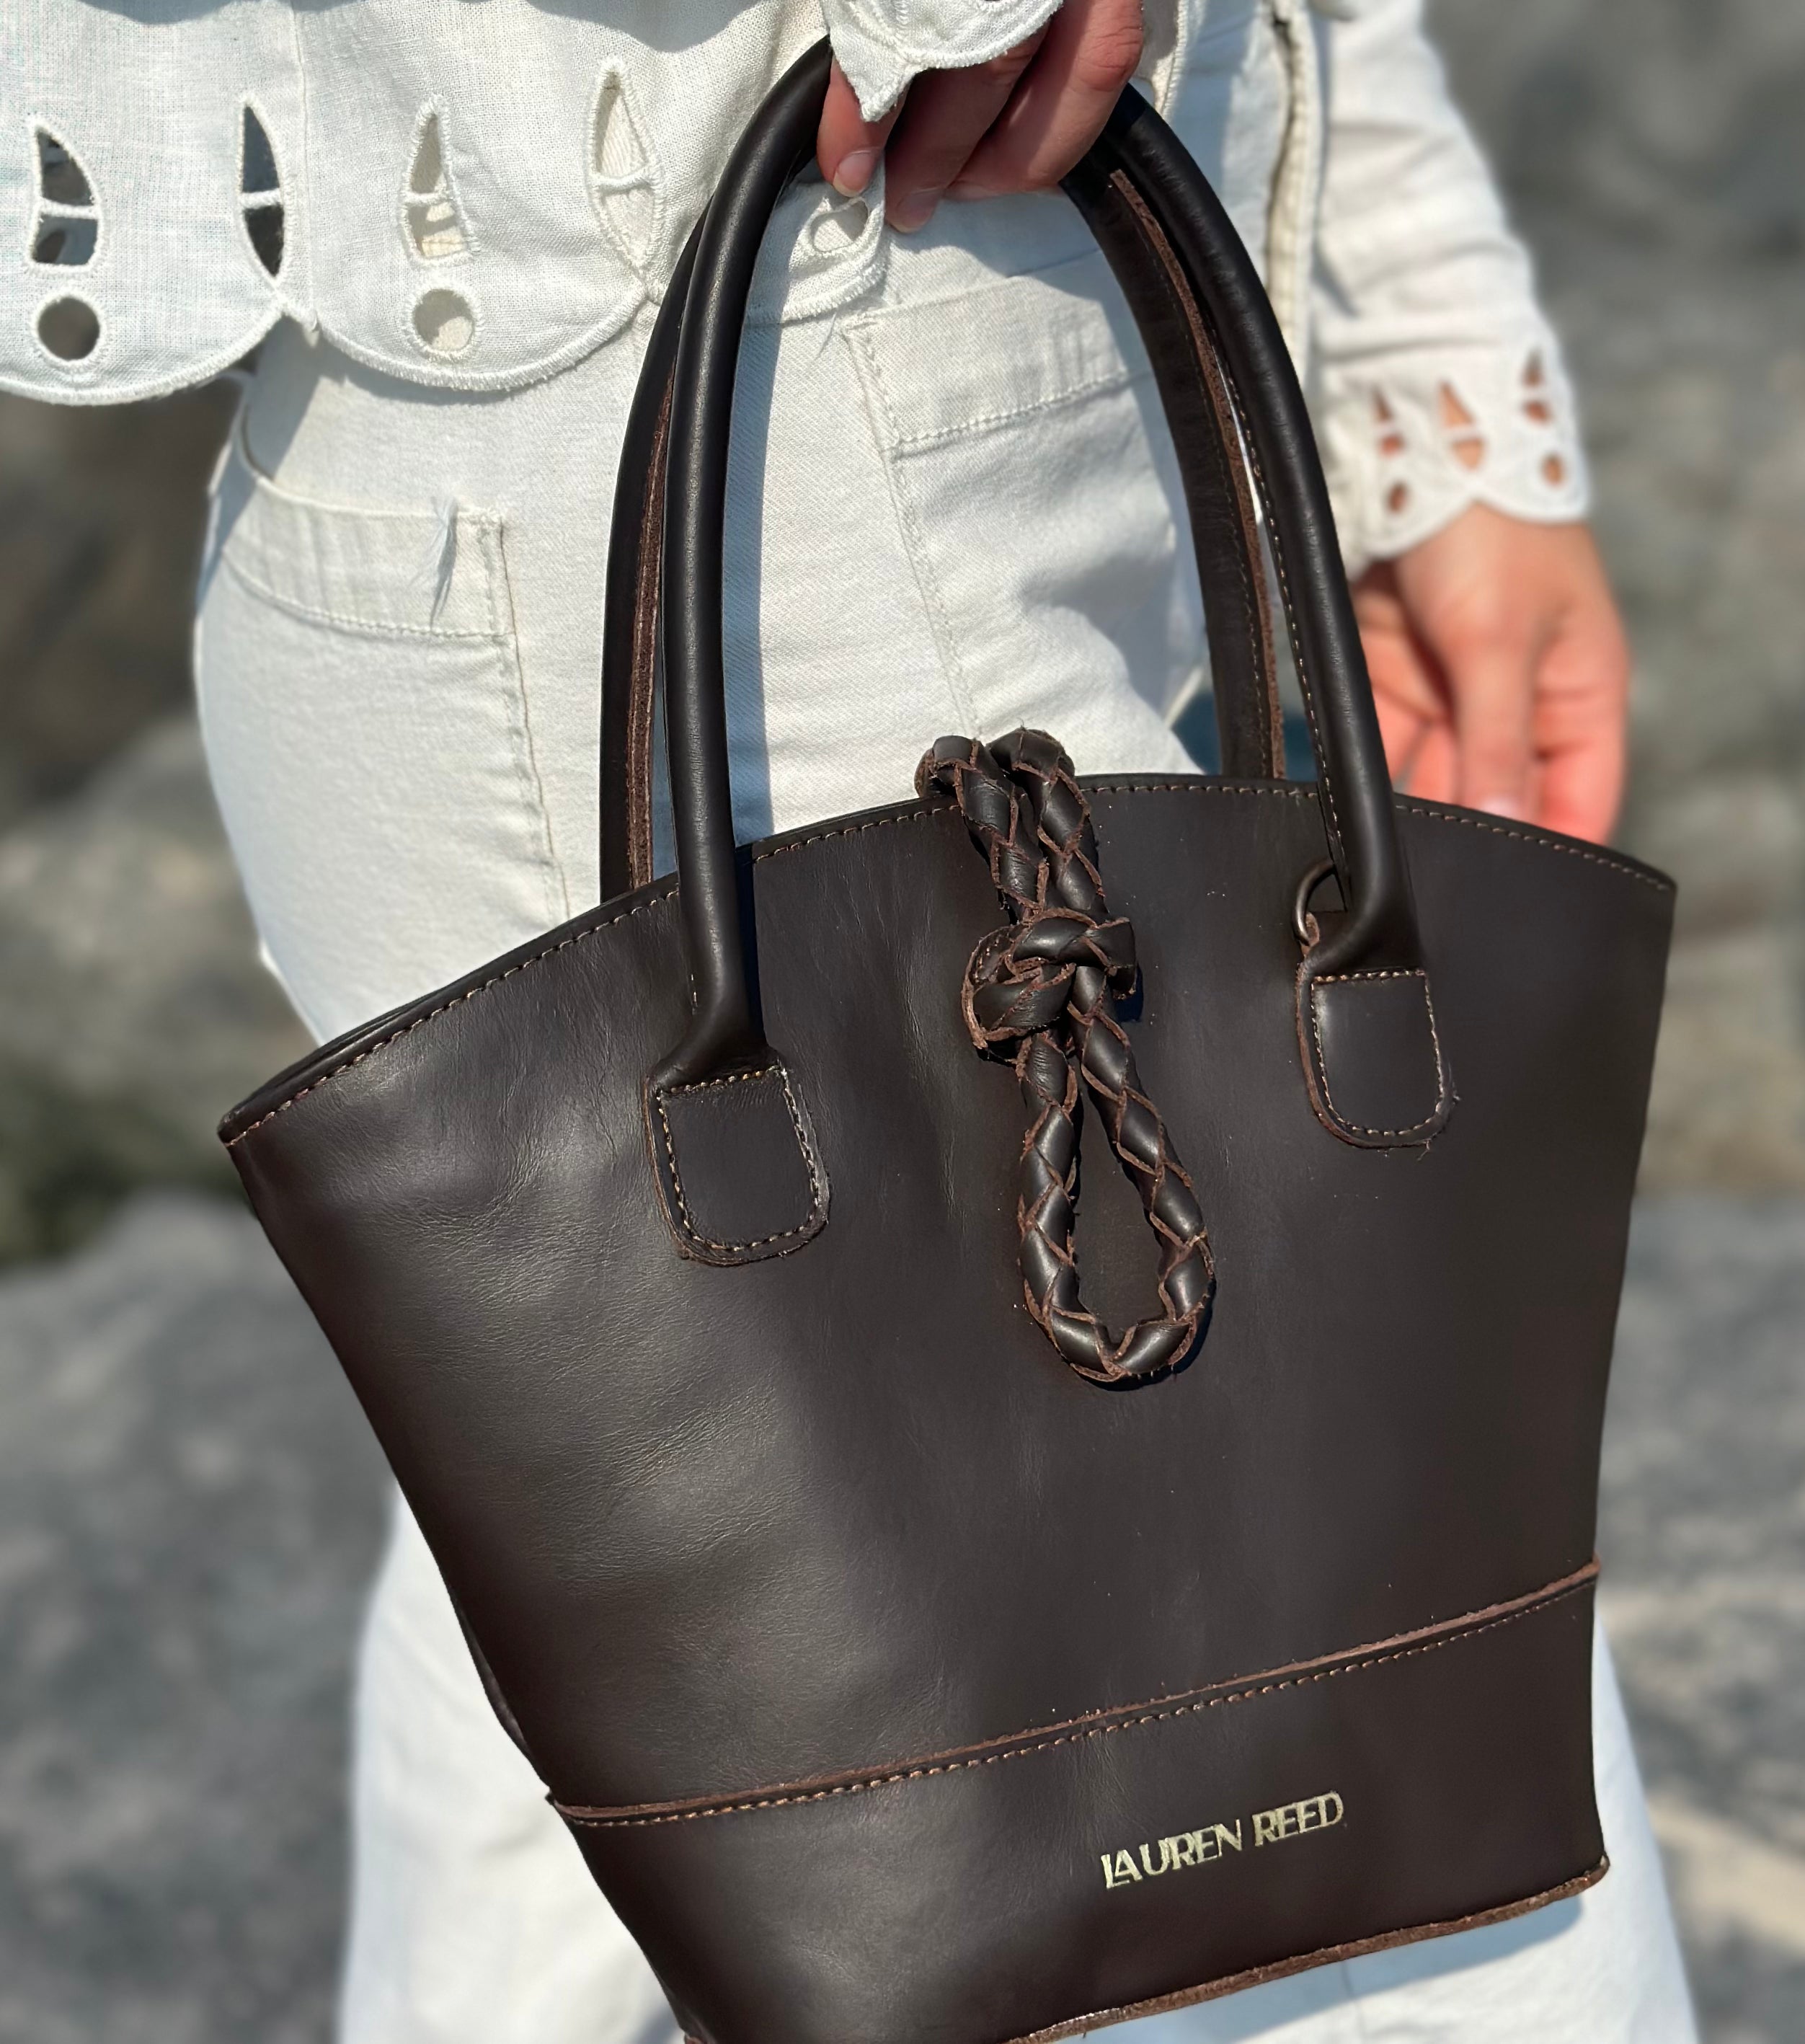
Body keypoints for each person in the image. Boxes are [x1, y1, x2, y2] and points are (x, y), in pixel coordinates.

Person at [3, 0, 1694, 2037]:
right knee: (1392, 1873)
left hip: (928, 418)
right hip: (759, 477)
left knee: (629, 1563)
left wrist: (1408, 331)